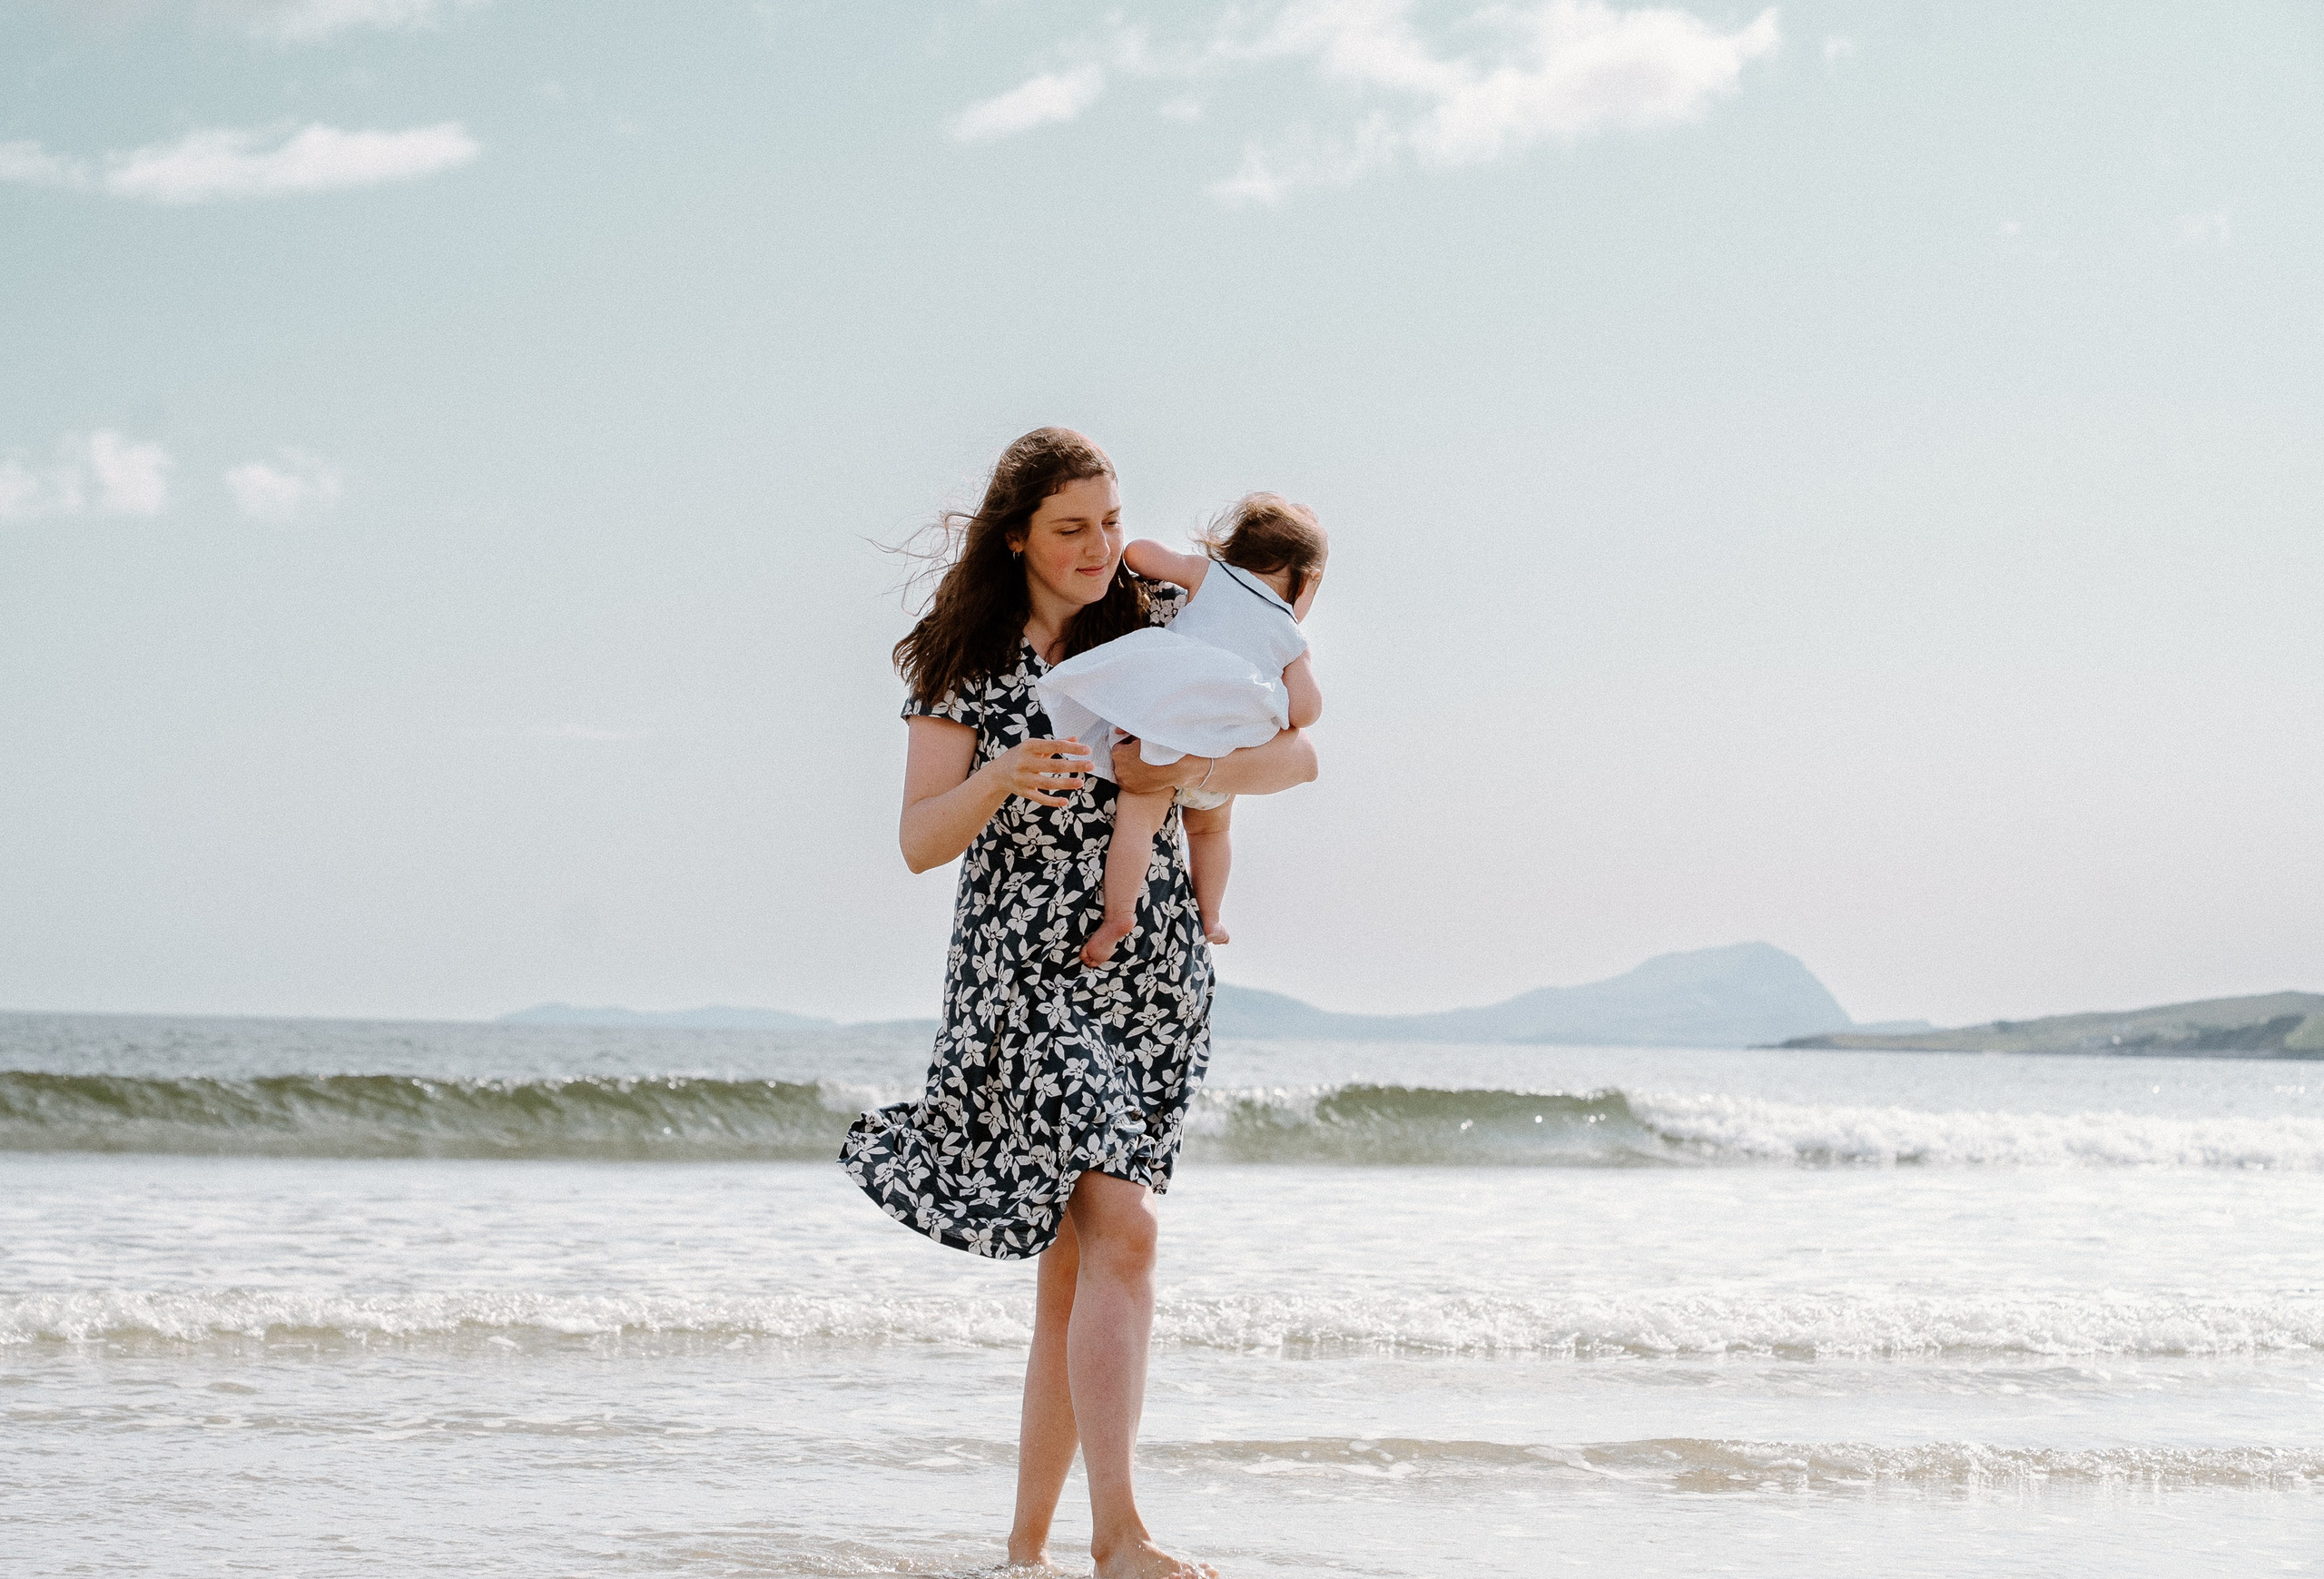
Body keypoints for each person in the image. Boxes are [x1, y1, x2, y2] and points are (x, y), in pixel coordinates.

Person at [839, 428, 1318, 1579]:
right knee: (1124, 1224)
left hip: (1148, 974)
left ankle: (1026, 1550)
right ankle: (1121, 1536)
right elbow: (916, 842)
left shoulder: (1155, 616)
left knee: (1084, 1251)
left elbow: (1294, 753)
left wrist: (1185, 775)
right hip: (1021, 976)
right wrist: (1000, 775)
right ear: (1017, 537)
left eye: (1111, 520)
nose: (1102, 546)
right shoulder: (963, 660)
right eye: (1072, 528)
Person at [1036, 495, 1327, 963]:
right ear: (1307, 580)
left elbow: (1138, 555)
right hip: (1224, 750)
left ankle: (1118, 915)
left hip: (1165, 734)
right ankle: (1210, 915)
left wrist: (1180, 563)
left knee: (1137, 823)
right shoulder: (1290, 632)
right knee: (1211, 833)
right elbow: (1306, 712)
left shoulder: (1213, 574)